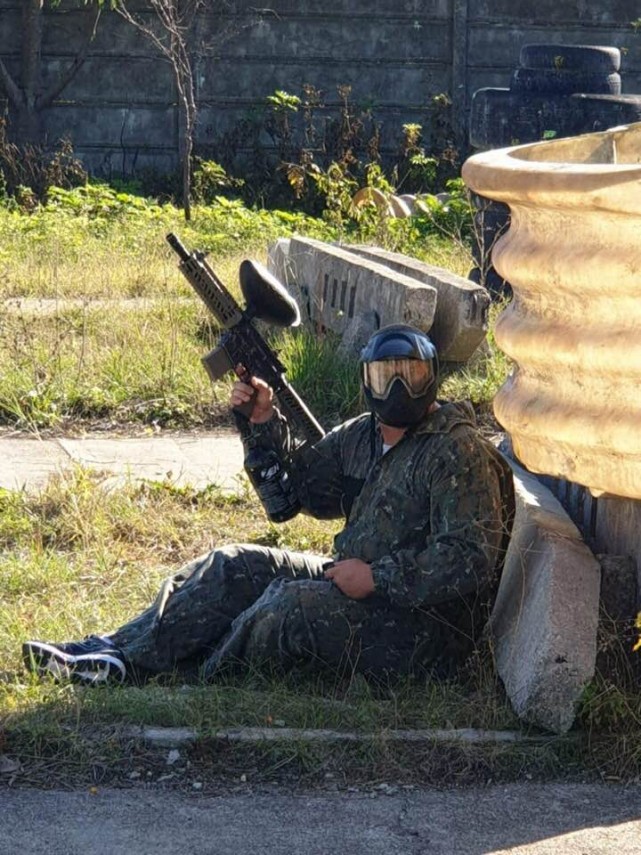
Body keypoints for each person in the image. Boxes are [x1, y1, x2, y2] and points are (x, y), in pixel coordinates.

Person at [23, 324, 514, 686]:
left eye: (411, 374)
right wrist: (262, 422)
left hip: (421, 632)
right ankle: (113, 653)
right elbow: (294, 495)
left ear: (433, 380)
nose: (399, 388)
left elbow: (469, 558)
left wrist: (378, 578)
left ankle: (189, 675)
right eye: (387, 376)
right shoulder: (363, 437)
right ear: (367, 382)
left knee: (291, 604)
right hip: (358, 587)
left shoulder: (456, 449)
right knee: (234, 565)